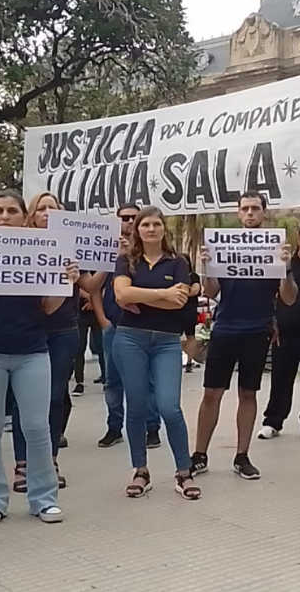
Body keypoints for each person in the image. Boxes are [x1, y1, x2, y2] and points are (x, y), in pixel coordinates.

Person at [0, 190, 78, 528]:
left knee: (37, 427)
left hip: (31, 353)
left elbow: (48, 308)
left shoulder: (41, 252)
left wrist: (65, 283)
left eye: (12, 211)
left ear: (24, 218)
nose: (5, 217)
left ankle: (44, 498)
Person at [192, 192, 297, 480]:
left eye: (255, 208)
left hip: (258, 329)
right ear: (238, 213)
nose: (250, 213)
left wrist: (286, 268)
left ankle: (242, 455)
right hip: (225, 327)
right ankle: (199, 455)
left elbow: (289, 297)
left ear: (264, 212)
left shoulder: (275, 247)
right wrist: (207, 268)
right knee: (212, 393)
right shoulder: (224, 245)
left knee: (248, 393)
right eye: (245, 209)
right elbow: (211, 291)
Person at [112, 207, 200, 500]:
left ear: (164, 228)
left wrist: (140, 296)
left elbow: (179, 302)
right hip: (130, 338)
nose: (151, 229)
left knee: (169, 407)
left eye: (156, 224)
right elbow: (121, 294)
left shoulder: (178, 262)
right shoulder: (126, 261)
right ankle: (140, 470)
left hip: (166, 341)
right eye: (145, 224)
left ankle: (184, 472)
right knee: (136, 407)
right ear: (137, 230)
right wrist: (162, 294)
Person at [11, 192, 82, 492]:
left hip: (63, 330)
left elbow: (91, 285)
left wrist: (78, 275)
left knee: (53, 397)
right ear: (31, 215)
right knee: (23, 399)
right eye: (41, 208)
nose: (47, 213)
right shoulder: (17, 245)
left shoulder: (73, 245)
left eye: (53, 208)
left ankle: (49, 460)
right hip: (27, 328)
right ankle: (22, 464)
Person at [93, 204, 163, 449]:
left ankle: (152, 427)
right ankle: (114, 427)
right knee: (112, 380)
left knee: (148, 380)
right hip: (114, 326)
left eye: (135, 218)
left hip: (144, 327)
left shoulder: (149, 252)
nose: (130, 222)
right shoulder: (105, 251)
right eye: (125, 218)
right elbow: (94, 289)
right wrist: (103, 321)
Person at [258, 222, 300, 442]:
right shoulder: (285, 263)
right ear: (298, 238)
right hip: (285, 332)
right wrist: (272, 321)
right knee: (280, 379)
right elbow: (270, 294)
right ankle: (272, 422)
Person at [181, 256, 202, 373]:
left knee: (190, 336)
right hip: (174, 310)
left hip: (189, 310)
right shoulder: (175, 274)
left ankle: (189, 361)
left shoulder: (193, 276)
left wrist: (180, 292)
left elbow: (195, 290)